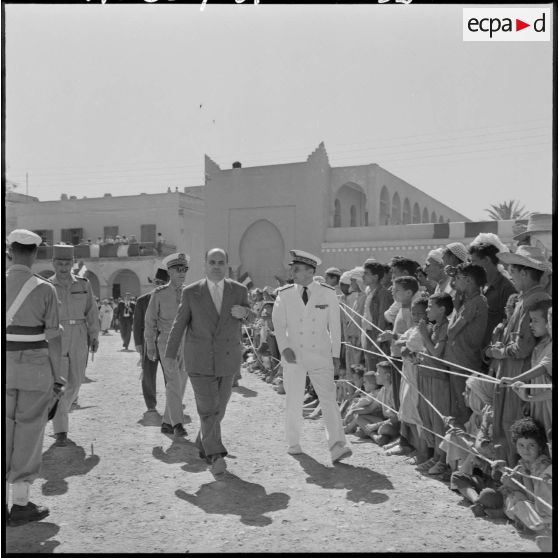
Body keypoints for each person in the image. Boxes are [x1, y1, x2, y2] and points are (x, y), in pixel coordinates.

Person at [165, 248, 252, 476]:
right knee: (207, 410)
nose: (216, 266)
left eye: (221, 262)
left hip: (227, 360)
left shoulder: (239, 290)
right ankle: (216, 456)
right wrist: (170, 355)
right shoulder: (192, 292)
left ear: (227, 265)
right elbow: (179, 324)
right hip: (199, 360)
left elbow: (252, 317)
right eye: (212, 262)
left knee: (219, 409)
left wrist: (245, 312)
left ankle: (203, 443)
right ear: (205, 264)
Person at [272, 249, 352, 464]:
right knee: (294, 399)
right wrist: (284, 348)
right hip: (294, 354)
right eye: (297, 269)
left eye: (304, 270)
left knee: (328, 398)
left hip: (321, 353)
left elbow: (335, 326)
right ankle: (293, 442)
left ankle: (337, 445)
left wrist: (336, 354)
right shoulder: (285, 293)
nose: (299, 273)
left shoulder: (326, 292)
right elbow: (278, 324)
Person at [6, 229, 63, 526]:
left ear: (10, 250)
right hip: (35, 368)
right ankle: (20, 503)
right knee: (29, 431)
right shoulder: (44, 289)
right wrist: (58, 378)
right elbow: (53, 339)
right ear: (35, 253)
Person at [490, 245, 551, 465]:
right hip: (514, 372)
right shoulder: (525, 298)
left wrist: (500, 352)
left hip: (521, 374)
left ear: (524, 272)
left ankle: (516, 477)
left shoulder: (535, 301)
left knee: (513, 425)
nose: (511, 277)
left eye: (512, 272)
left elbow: (522, 348)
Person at [50, 244, 99, 447]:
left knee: (76, 382)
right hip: (57, 335)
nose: (63, 267)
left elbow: (92, 311)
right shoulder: (46, 285)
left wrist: (94, 335)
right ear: (53, 263)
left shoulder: (83, 284)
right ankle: (61, 429)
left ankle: (61, 411)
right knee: (59, 384)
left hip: (79, 334)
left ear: (72, 263)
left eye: (67, 263)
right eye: (59, 263)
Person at [145, 254, 190, 437]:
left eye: (185, 269)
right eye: (178, 269)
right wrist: (149, 344)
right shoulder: (159, 294)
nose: (182, 273)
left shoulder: (190, 292)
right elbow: (150, 321)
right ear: (170, 271)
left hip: (187, 344)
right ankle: (178, 424)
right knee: (173, 382)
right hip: (166, 343)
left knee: (181, 384)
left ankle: (166, 422)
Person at [500, 299, 552, 440]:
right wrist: (528, 400)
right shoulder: (539, 345)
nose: (530, 324)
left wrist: (515, 379)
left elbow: (542, 368)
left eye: (535, 320)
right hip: (538, 405)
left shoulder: (550, 346)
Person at [416, 292, 454, 472]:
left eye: (431, 307)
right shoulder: (434, 326)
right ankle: (435, 456)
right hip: (426, 373)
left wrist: (424, 335)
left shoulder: (445, 326)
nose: (427, 310)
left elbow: (437, 353)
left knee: (439, 419)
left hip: (438, 378)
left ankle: (443, 460)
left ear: (442, 309)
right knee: (428, 416)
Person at [495, 417, 552, 534]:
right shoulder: (523, 463)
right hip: (534, 509)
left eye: (531, 445)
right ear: (515, 446)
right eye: (521, 445)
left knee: (519, 502)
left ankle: (541, 530)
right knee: (513, 498)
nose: (526, 450)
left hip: (544, 512)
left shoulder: (542, 466)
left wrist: (514, 485)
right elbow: (509, 480)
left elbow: (535, 498)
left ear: (540, 447)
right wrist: (501, 467)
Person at [468, 235, 517, 354]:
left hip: (492, 355)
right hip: (474, 353)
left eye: (474, 261)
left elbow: (511, 323)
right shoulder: (478, 286)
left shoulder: (507, 288)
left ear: (487, 260)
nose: (471, 266)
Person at [133, 267, 170, 414]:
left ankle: (172, 401)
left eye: (163, 282)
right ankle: (151, 405)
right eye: (157, 282)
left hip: (167, 343)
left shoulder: (173, 299)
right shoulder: (143, 301)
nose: (159, 285)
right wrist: (138, 343)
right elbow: (137, 324)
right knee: (148, 375)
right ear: (154, 283)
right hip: (149, 343)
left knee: (171, 374)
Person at [361, 261, 393, 373]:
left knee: (379, 373)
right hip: (368, 334)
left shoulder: (383, 293)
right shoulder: (369, 292)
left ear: (375, 277)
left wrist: (377, 343)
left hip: (378, 338)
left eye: (366, 273)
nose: (363, 276)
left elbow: (382, 320)